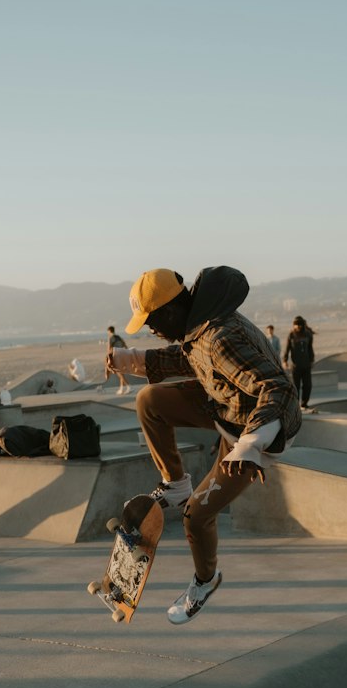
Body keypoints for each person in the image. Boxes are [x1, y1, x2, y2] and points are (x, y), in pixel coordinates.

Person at [106, 265, 301, 624]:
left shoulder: (220, 338)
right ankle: (176, 484)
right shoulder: (200, 326)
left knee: (196, 517)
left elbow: (278, 388)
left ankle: (205, 580)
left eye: (151, 320)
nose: (151, 328)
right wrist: (129, 359)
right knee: (149, 400)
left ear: (170, 309)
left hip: (249, 432)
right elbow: (191, 359)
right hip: (223, 404)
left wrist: (252, 445)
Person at [283, 315, 315, 410]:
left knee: (307, 385)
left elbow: (310, 348)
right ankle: (296, 405)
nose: (297, 327)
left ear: (302, 325)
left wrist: (312, 360)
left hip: (306, 365)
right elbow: (287, 349)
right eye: (295, 325)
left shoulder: (308, 334)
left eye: (299, 325)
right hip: (295, 365)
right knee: (295, 386)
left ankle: (304, 403)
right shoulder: (291, 335)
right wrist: (285, 360)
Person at [104, 326, 130, 394]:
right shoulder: (118, 337)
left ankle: (128, 386)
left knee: (119, 372)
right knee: (121, 371)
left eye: (108, 332)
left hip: (116, 355)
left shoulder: (110, 338)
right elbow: (125, 345)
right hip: (122, 354)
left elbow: (109, 349)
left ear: (109, 331)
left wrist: (108, 358)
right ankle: (121, 389)